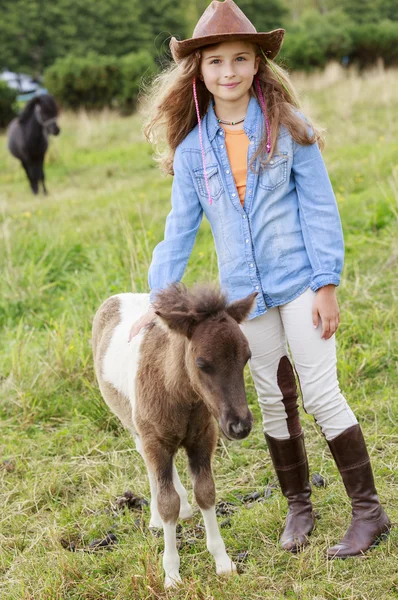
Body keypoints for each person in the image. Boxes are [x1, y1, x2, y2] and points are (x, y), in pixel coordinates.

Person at [129, 0, 391, 557]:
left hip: (299, 283)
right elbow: (178, 232)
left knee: (320, 392)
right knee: (271, 399)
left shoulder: (288, 129)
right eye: (216, 61)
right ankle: (299, 508)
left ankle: (368, 513)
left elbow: (320, 208)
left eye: (240, 59)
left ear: (257, 64)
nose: (229, 72)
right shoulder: (193, 150)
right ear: (198, 71)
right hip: (245, 302)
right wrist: (158, 302)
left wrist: (326, 284)